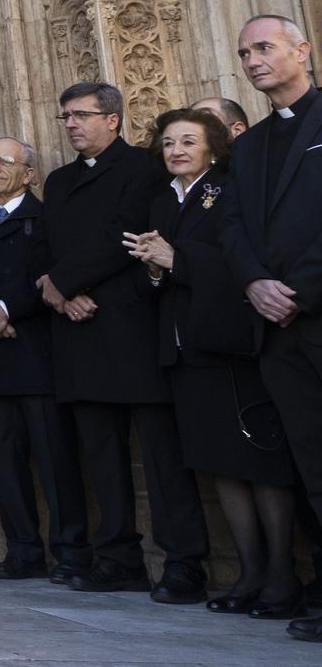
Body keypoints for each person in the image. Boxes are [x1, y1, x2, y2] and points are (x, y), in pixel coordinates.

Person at [126, 108, 302, 617]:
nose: (176, 150)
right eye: (167, 142)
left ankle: (282, 576)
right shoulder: (160, 202)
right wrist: (157, 270)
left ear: (214, 148)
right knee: (219, 462)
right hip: (183, 350)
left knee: (260, 461)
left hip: (230, 344)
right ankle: (248, 573)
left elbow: (241, 261)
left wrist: (176, 260)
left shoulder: (229, 190)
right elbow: (150, 274)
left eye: (188, 141)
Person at [38, 81, 209, 602]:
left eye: (81, 115)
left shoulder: (143, 167)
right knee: (101, 452)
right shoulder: (59, 180)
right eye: (65, 116)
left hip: (132, 324)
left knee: (162, 454)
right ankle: (117, 557)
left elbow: (125, 235)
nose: (70, 124)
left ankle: (183, 561)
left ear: (112, 119)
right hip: (77, 328)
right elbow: (49, 245)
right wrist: (60, 295)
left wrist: (64, 283)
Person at [223, 15, 322, 643]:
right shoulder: (252, 144)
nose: (254, 60)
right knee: (312, 465)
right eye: (245, 53)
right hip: (278, 333)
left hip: (316, 310)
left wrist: (300, 290)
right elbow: (233, 226)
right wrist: (255, 283)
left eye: (265, 47)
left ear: (302, 50)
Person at [0, 138, 88, 582]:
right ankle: (23, 551)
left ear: (29, 174)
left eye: (5, 161)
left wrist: (6, 311)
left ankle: (71, 551)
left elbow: (50, 275)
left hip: (36, 356)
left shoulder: (47, 219)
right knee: (4, 461)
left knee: (56, 462)